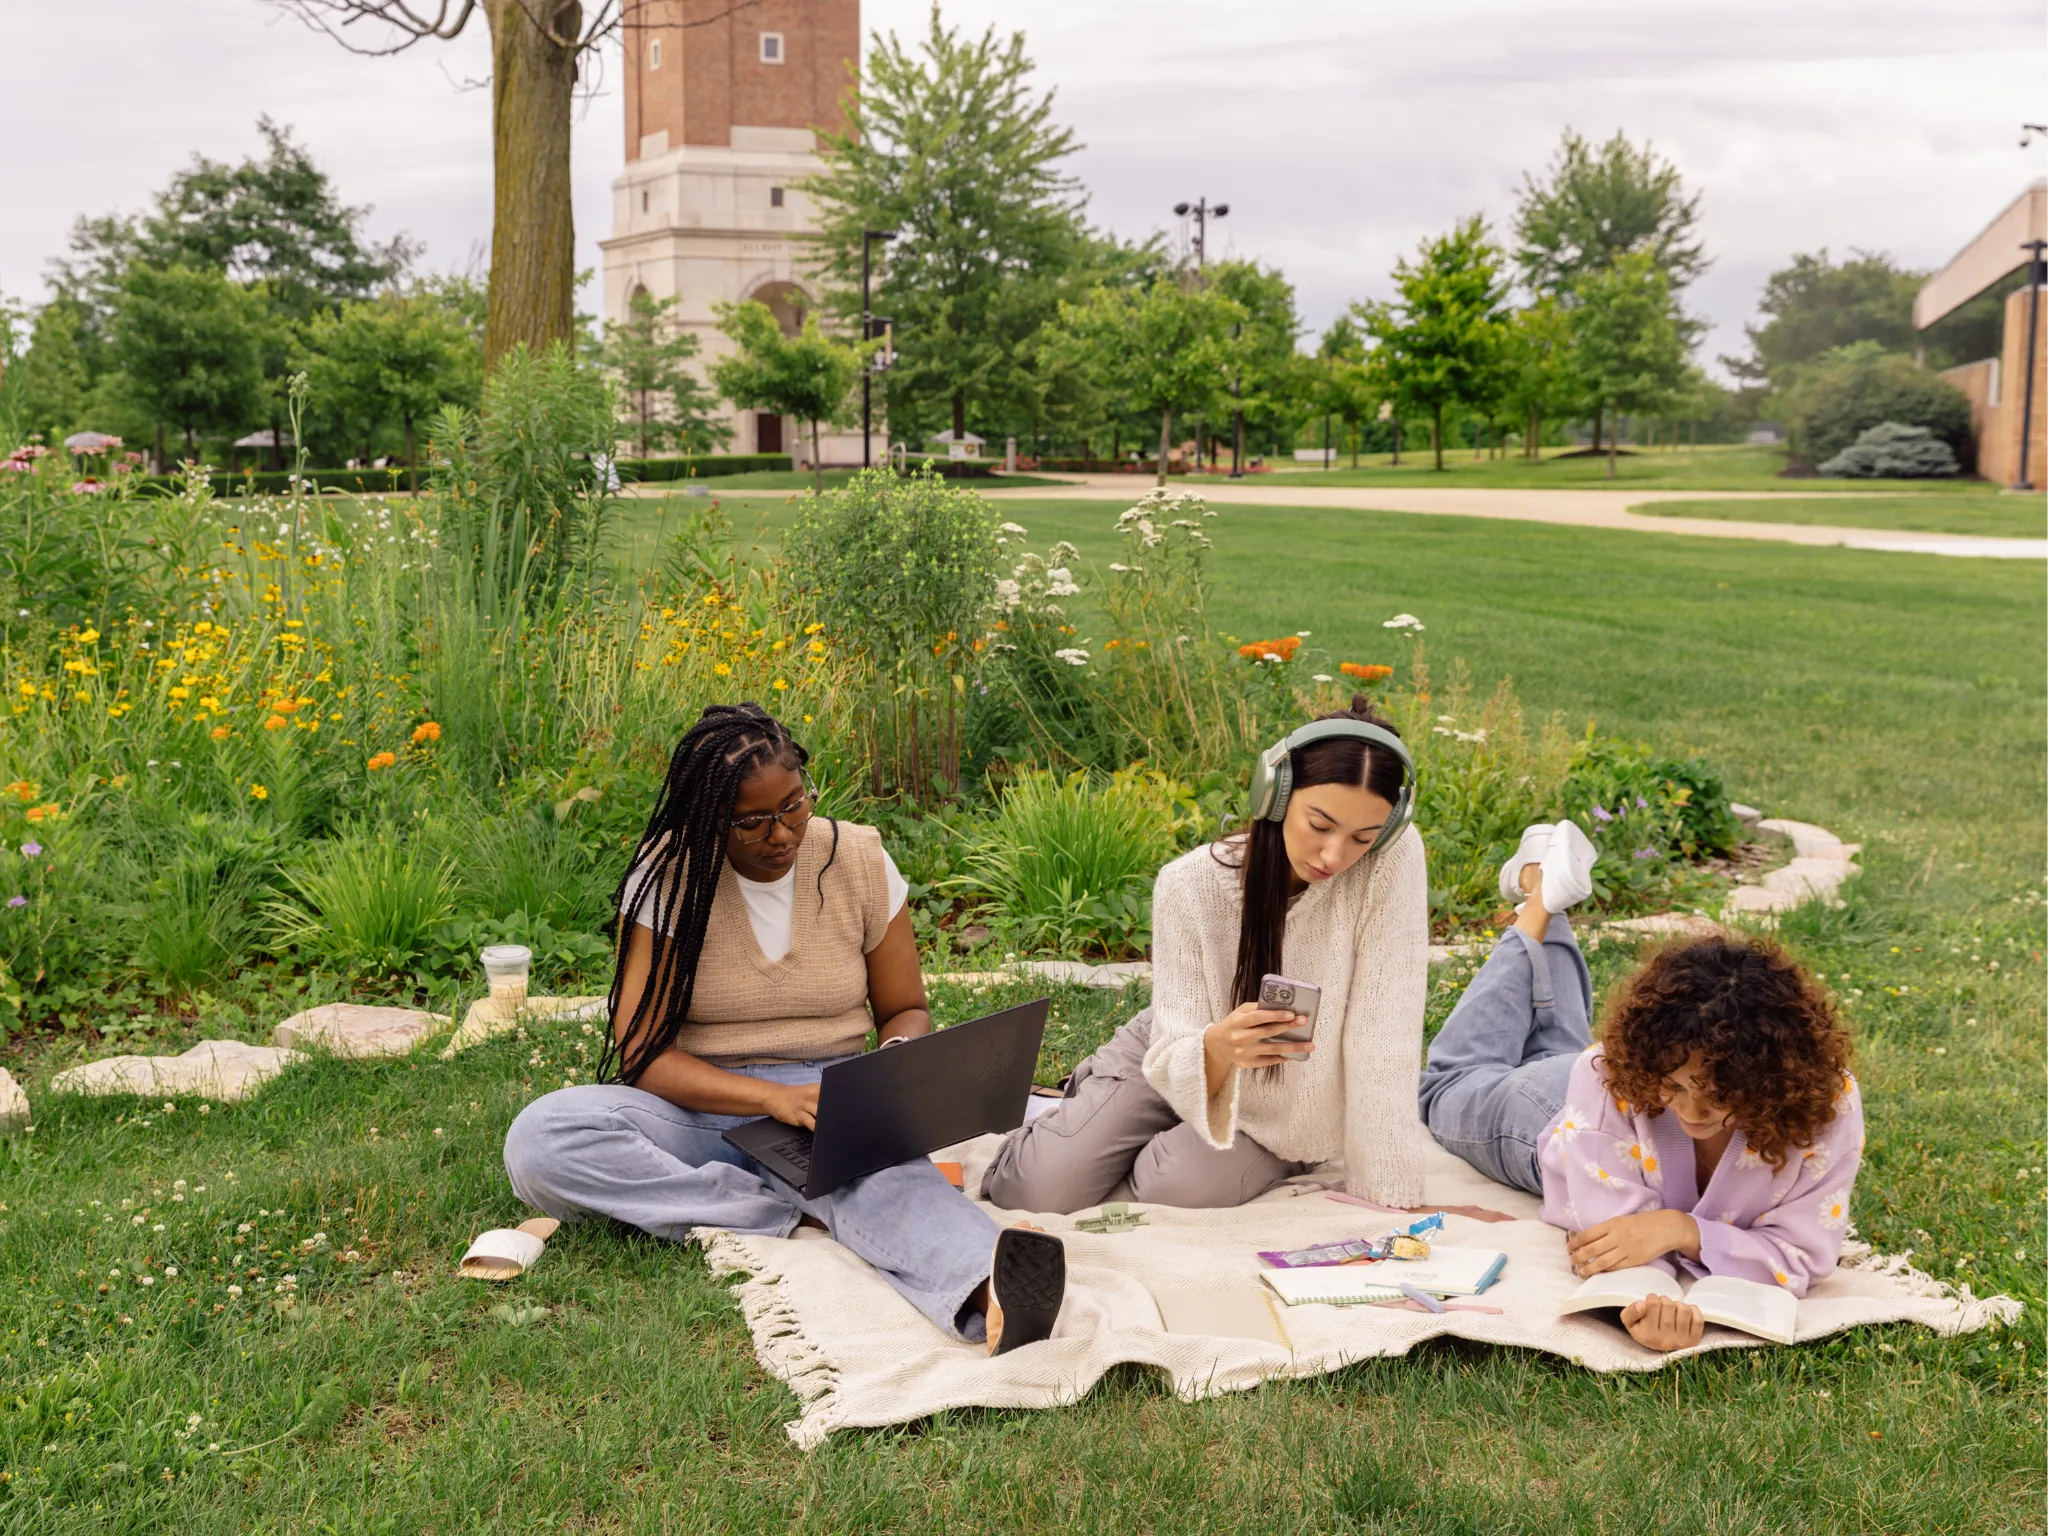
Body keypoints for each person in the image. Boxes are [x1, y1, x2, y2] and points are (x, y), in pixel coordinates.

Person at [503, 703, 1065, 1355]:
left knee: (876, 1170)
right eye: (752, 822)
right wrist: (770, 1100)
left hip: (830, 1101)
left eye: (794, 806)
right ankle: (790, 1207)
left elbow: (904, 1006)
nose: (782, 834)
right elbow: (641, 1056)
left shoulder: (858, 859)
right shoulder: (670, 877)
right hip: (702, 1107)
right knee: (542, 1139)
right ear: (709, 820)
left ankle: (991, 1287)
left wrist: (897, 1070)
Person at [1418, 822, 1863, 1352]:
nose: (1693, 1112)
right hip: (1550, 1116)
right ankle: (1538, 903)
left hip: (1598, 1102)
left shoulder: (1824, 1105)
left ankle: (1547, 892)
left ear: (1772, 1080)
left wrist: (1682, 1229)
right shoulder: (1612, 1075)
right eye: (1674, 1087)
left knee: (1554, 1044)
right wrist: (1643, 1296)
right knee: (1449, 1085)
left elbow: (1805, 1255)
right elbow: (1613, 1244)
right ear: (1648, 1064)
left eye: (1721, 1093)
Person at [984, 697, 1435, 1213]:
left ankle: (1127, 1133)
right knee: (1032, 1188)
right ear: (1276, 794)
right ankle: (1087, 1108)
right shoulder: (1189, 885)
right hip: (1181, 1043)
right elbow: (1180, 1030)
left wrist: (1393, 1196)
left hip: (1288, 1095)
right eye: (1319, 825)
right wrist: (1217, 1050)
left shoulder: (1392, 859)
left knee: (1171, 1186)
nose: (1334, 855)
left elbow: (1385, 1033)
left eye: (1361, 838)